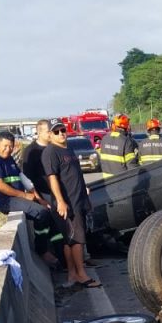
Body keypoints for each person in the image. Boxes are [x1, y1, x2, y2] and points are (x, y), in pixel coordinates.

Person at [0, 131, 66, 267]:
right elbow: (0, 186)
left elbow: (25, 181)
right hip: (6, 200)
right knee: (41, 213)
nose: (7, 149)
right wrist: (25, 196)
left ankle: (62, 257)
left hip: (17, 198)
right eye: (5, 146)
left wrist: (39, 199)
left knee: (49, 212)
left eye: (10, 146)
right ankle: (42, 250)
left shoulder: (9, 158)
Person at [42, 119, 101, 288]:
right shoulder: (50, 152)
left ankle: (73, 274)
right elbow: (52, 178)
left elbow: (75, 175)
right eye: (56, 131)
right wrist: (60, 201)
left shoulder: (68, 148)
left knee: (70, 240)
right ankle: (82, 275)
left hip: (78, 199)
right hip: (68, 204)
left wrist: (85, 194)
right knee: (77, 240)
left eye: (62, 130)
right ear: (50, 135)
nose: (61, 133)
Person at [99, 113, 138, 178]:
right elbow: (131, 166)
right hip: (121, 181)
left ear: (113, 126)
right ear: (127, 127)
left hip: (106, 182)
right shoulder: (126, 141)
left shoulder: (104, 139)